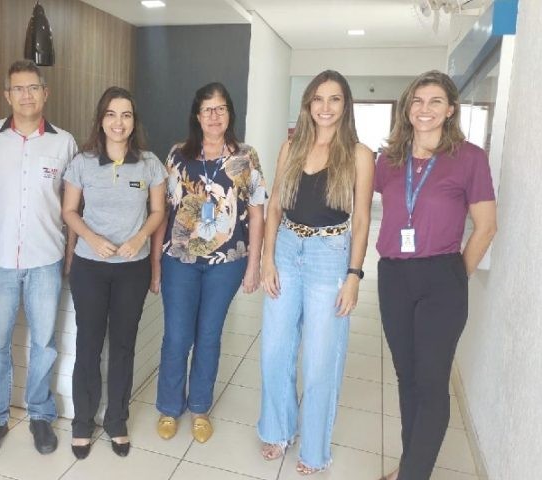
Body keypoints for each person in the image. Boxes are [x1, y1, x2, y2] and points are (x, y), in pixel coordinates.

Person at [0, 59, 77, 460]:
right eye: (18, 89)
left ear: (45, 93)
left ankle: (40, 414)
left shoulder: (64, 143)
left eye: (33, 87)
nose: (26, 95)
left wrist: (70, 253)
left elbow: (72, 205)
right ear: (7, 96)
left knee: (44, 344)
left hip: (45, 260)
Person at [376, 71, 496, 480]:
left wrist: (455, 277)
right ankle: (412, 466)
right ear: (407, 108)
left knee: (430, 382)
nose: (424, 109)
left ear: (450, 110)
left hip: (442, 276)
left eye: (435, 101)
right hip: (393, 276)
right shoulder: (389, 161)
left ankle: (412, 474)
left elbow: (486, 227)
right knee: (406, 376)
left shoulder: (469, 158)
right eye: (417, 101)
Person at [258, 70, 375, 474]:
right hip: (287, 248)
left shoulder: (359, 154)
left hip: (330, 254)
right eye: (318, 99)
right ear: (308, 104)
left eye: (335, 99)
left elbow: (362, 220)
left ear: (346, 105)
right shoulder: (291, 147)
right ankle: (277, 429)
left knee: (321, 359)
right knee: (276, 348)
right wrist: (268, 258)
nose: (325, 107)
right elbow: (275, 205)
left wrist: (354, 275)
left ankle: (314, 450)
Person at [151, 82, 266, 443]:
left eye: (220, 108)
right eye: (207, 110)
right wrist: (155, 264)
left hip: (227, 262)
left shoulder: (246, 157)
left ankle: (200, 407)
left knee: (209, 335)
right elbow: (163, 212)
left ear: (229, 113)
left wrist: (254, 265)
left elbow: (257, 214)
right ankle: (170, 407)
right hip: (179, 260)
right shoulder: (178, 155)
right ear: (197, 116)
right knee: (177, 336)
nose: (214, 116)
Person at [61, 86, 167, 459]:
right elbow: (69, 210)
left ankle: (117, 420)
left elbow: (158, 212)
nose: (118, 123)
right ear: (101, 119)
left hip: (132, 270)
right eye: (111, 114)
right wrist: (92, 238)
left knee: (122, 346)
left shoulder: (150, 163)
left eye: (125, 115)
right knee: (88, 345)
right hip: (90, 267)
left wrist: (139, 239)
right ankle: (82, 422)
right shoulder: (83, 162)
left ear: (134, 121)